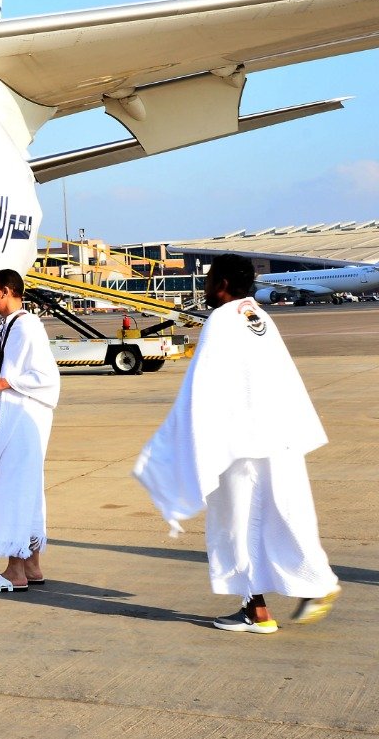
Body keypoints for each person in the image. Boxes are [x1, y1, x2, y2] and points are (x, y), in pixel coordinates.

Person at [133, 254, 340, 633]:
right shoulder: (258, 316)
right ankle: (299, 588)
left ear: (223, 284)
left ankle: (265, 607)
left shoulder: (221, 320)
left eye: (210, 279)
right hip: (278, 437)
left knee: (234, 524)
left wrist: (176, 442)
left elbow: (202, 387)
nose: (206, 286)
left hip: (239, 444)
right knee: (284, 515)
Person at [0, 268, 59, 592]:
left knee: (14, 488)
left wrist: (2, 382)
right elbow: (17, 371)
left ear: (5, 291)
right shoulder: (11, 325)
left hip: (24, 419)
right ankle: (31, 565)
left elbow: (46, 376)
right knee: (28, 489)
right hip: (16, 414)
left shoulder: (26, 326)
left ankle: (14, 572)